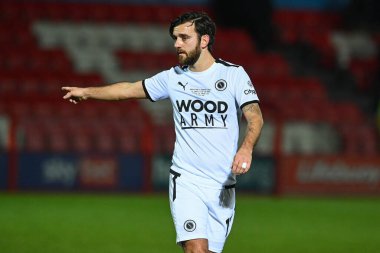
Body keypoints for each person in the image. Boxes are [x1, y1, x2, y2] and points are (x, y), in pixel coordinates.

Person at [62, 11, 263, 253]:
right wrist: (86, 92)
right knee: (195, 248)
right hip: (187, 179)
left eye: (183, 37)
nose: (176, 44)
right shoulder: (173, 78)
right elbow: (127, 89)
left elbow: (255, 117)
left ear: (204, 40)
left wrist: (246, 148)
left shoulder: (233, 75)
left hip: (222, 185)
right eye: (175, 38)